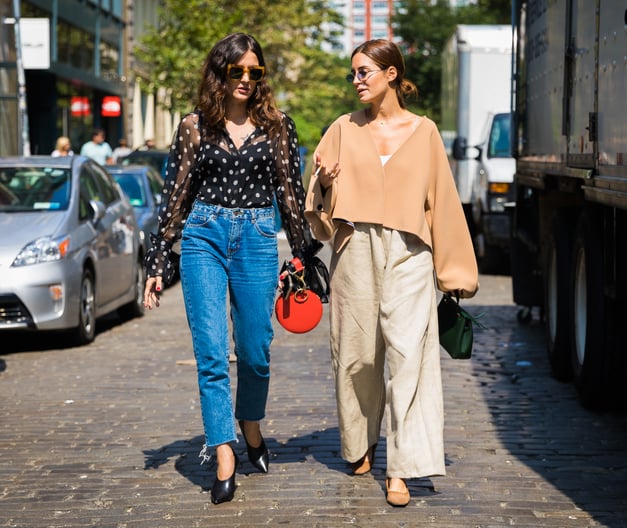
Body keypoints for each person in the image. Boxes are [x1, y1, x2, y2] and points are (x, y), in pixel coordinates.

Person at [142, 32, 319, 505]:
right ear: (218, 73)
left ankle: (250, 425)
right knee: (212, 352)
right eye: (236, 70)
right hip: (203, 236)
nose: (245, 79)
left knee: (257, 349)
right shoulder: (194, 126)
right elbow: (174, 197)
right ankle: (224, 452)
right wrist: (158, 259)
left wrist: (304, 254)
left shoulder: (279, 125)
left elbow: (290, 194)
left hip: (259, 240)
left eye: (254, 72)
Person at [305, 39, 479, 507]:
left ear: (391, 74)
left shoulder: (425, 132)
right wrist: (322, 183)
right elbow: (317, 212)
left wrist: (455, 273)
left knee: (409, 359)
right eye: (353, 73)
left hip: (410, 251)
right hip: (354, 247)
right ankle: (359, 443)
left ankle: (402, 467)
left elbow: (442, 202)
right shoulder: (341, 128)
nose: (357, 80)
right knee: (357, 355)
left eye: (365, 71)